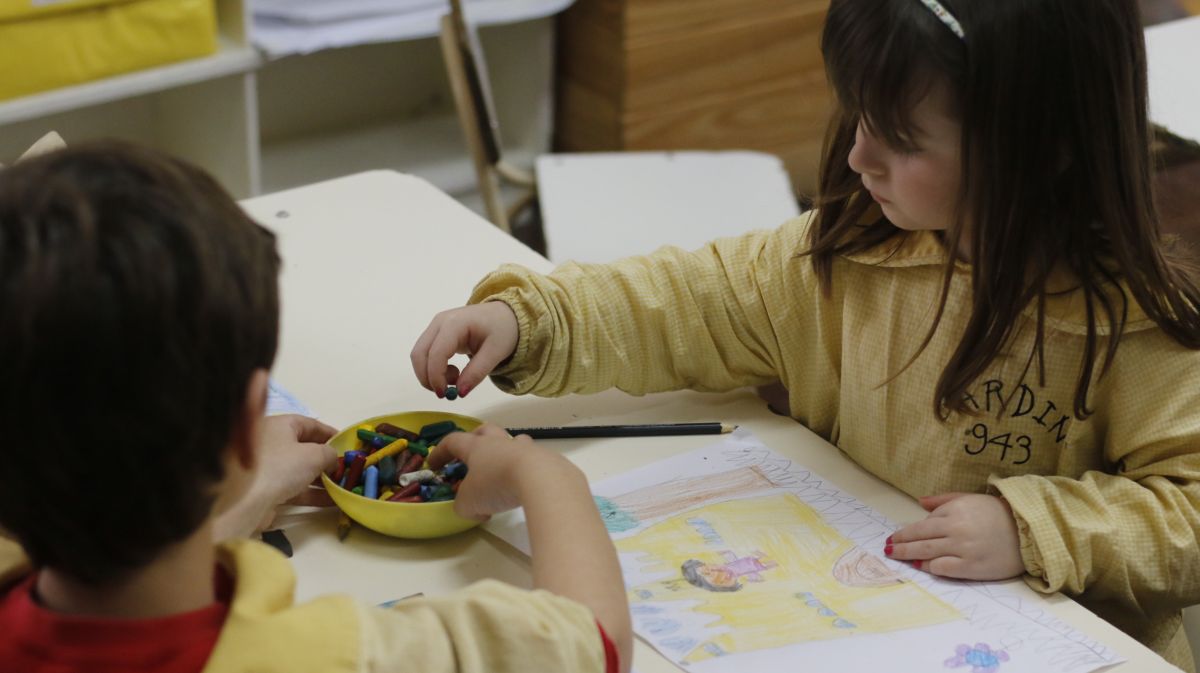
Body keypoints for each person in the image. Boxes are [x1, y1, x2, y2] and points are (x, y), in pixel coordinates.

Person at [410, 0, 1200, 668]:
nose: (858, 154)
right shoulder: (860, 249)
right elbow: (694, 299)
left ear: (1043, 147)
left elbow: (1190, 515)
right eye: (857, 115)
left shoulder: (1140, 319)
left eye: (902, 136)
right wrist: (534, 322)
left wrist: (1034, 529)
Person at [0, 142, 631, 673]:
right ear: (248, 427)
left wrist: (234, 496)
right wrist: (543, 476)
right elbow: (591, 641)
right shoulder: (333, 657)